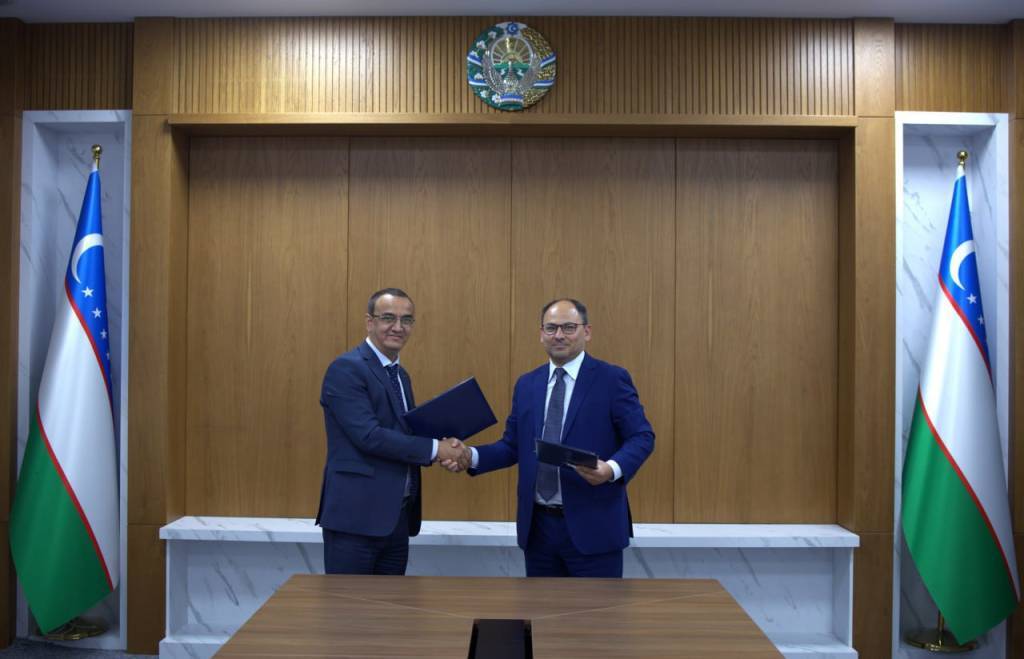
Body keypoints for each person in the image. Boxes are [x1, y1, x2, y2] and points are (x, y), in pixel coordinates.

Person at [445, 298, 654, 578]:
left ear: (587, 332)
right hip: (538, 531)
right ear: (541, 334)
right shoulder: (527, 384)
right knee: (540, 608)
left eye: (569, 327)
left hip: (594, 528)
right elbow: (512, 447)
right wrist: (469, 456)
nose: (559, 335)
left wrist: (611, 470)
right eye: (551, 328)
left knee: (598, 608)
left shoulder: (611, 379)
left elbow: (642, 436)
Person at [316, 288, 466, 575]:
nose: (398, 327)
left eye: (406, 320)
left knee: (392, 603)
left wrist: (447, 444)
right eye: (388, 318)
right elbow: (369, 436)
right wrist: (437, 449)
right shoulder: (346, 369)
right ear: (369, 322)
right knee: (349, 603)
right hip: (355, 521)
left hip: (396, 519)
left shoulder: (400, 375)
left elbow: (405, 432)